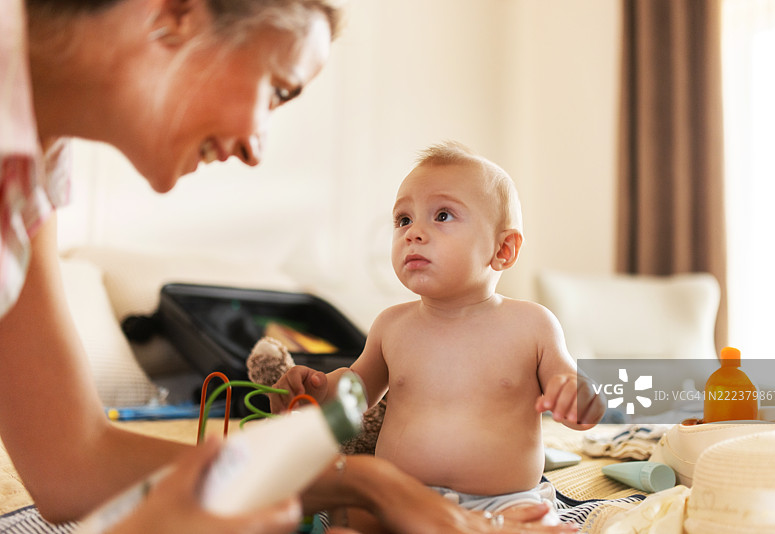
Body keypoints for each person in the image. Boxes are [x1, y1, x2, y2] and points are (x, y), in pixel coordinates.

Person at [0, 0, 572, 532]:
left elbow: (71, 467)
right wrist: (370, 486)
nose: (257, 149)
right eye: (277, 89)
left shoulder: (34, 170)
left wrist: (371, 484)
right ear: (178, 17)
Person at [270, 142, 605, 532]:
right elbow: (355, 394)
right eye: (403, 220)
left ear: (503, 248)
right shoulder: (391, 326)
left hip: (503, 504)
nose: (414, 233)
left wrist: (579, 397)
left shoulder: (532, 325)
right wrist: (316, 391)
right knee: (350, 515)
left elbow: (584, 410)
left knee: (542, 524)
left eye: (442, 215)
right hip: (400, 497)